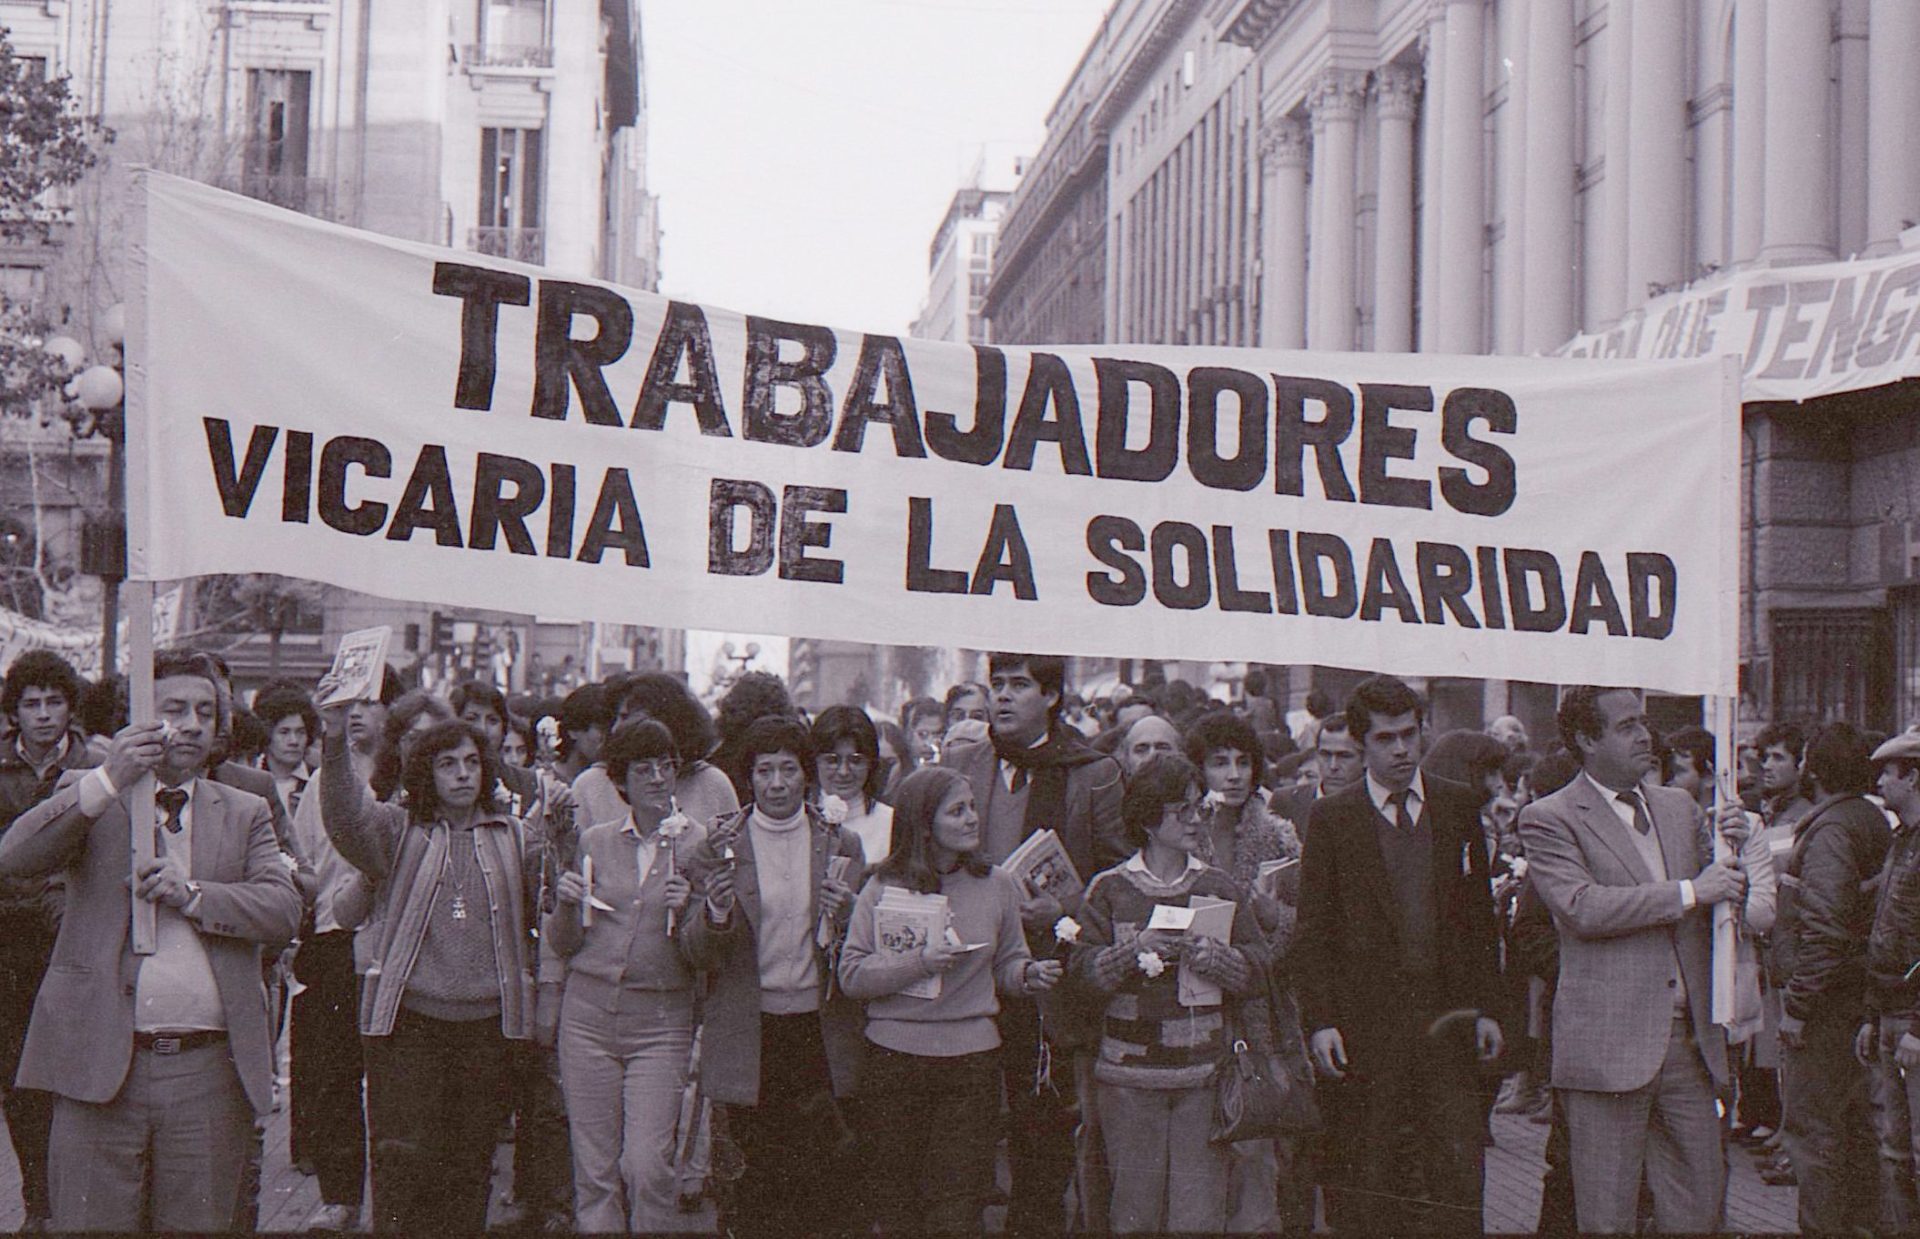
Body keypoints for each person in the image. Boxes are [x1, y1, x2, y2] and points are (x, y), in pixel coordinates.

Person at [0, 650, 302, 1231]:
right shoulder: (89, 794)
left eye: (205, 712)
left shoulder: (246, 810)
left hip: (208, 1070)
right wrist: (111, 778)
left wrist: (194, 895)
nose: (191, 724)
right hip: (100, 1063)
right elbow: (15, 856)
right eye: (174, 709)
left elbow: (284, 908)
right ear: (139, 717)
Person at [320, 709, 563, 1233]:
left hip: (489, 1031)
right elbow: (343, 816)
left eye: (473, 762)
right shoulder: (398, 828)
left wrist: (561, 825)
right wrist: (334, 738)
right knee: (402, 1163)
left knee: (469, 1167)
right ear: (425, 772)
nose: (462, 774)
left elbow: (553, 907)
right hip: (409, 1028)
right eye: (447, 763)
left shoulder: (516, 836)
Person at [1518, 685, 1747, 1233]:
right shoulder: (1549, 817)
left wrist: (1740, 842)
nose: (1646, 735)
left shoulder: (1679, 806)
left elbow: (1730, 893)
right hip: (1607, 1049)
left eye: (1643, 722)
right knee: (1607, 1220)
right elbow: (1582, 907)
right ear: (1585, 739)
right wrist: (1692, 891)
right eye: (1626, 726)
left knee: (1699, 1210)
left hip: (1689, 1046)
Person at [1294, 674, 1504, 1234]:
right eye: (1386, 739)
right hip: (1368, 1024)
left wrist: (1487, 1009)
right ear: (1362, 743)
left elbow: (1479, 921)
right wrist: (1321, 1021)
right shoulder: (1333, 819)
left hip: (1448, 1019)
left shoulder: (1458, 808)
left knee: (1457, 1172)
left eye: (1409, 735)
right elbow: (1312, 930)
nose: (1401, 749)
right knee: (1370, 1170)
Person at [941, 652, 1126, 1233]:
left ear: (1050, 696)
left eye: (1019, 685)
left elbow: (1118, 873)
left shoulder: (1092, 771)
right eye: (997, 684)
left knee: (1039, 1121)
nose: (1002, 696)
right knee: (964, 1122)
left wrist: (1065, 907)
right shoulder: (964, 761)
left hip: (1049, 975)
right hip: (967, 971)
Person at [839, 766, 1060, 1230]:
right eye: (957, 811)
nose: (971, 819)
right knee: (898, 1203)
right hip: (894, 1060)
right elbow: (852, 975)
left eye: (972, 808)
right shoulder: (881, 887)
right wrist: (919, 962)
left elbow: (1008, 963)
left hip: (971, 1063)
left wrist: (1029, 974)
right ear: (924, 824)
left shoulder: (997, 884)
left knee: (957, 1207)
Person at [681, 716, 864, 1235]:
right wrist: (715, 916)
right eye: (765, 771)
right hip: (749, 1029)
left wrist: (849, 913)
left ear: (808, 775)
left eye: (788, 769)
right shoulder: (719, 845)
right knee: (754, 1180)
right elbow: (693, 953)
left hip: (819, 1030)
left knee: (818, 1176)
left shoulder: (840, 842)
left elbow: (859, 947)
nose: (777, 783)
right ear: (749, 777)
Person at [1074, 754, 1265, 1232]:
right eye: (1182, 810)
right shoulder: (1110, 889)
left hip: (1203, 1076)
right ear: (1147, 818)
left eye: (1199, 808)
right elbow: (1080, 977)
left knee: (1197, 1218)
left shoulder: (1217, 885)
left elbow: (1258, 971)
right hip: (1128, 1079)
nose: (1196, 820)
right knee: (1133, 1218)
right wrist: (1132, 950)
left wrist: (1215, 958)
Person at [546, 719, 707, 1232]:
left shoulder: (698, 844)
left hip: (660, 1019)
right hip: (588, 1017)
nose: (658, 778)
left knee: (647, 1166)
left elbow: (706, 954)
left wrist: (695, 910)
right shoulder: (595, 842)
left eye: (666, 767)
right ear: (622, 782)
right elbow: (565, 943)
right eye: (644, 769)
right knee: (594, 1171)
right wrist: (566, 906)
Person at [286, 669, 398, 1231]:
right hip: (334, 938)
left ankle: (396, 1197)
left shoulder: (405, 779)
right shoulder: (323, 779)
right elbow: (305, 856)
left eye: (370, 702)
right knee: (334, 1074)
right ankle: (340, 1196)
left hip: (395, 944)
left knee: (394, 1079)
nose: (357, 713)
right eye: (346, 703)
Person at [1770, 721, 1889, 1231]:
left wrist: (1798, 1007)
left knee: (1815, 1135)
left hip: (1825, 1010)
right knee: (1855, 1131)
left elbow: (1825, 927)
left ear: (1812, 770)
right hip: (1851, 1001)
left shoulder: (1833, 830)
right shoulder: (1865, 820)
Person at [0, 651, 98, 1230]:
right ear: (15, 712)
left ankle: (75, 1201)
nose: (43, 715)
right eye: (31, 704)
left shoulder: (97, 765)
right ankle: (39, 1200)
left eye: (54, 702)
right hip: (10, 946)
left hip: (76, 939)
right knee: (18, 1077)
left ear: (70, 706)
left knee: (77, 1077)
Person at [1864, 730, 1920, 1227]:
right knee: (1896, 1152)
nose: (1880, 781)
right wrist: (1872, 1014)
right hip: (1891, 1014)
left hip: (1911, 1022)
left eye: (1888, 772)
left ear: (1914, 776)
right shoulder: (1902, 840)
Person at [576, 674, 740, 831]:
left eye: (627, 717)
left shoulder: (711, 783)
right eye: (617, 717)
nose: (615, 728)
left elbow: (734, 852)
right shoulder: (591, 785)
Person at [812, 705, 893, 866]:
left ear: (871, 764)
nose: (843, 772)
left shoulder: (891, 823)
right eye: (832, 760)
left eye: (855, 760)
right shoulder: (798, 818)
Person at [253, 686, 317, 817]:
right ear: (267, 734)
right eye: (284, 732)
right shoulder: (250, 778)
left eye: (301, 732)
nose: (294, 741)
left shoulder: (317, 781)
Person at [902, 696, 945, 767]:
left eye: (938, 735)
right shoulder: (896, 772)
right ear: (908, 734)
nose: (930, 742)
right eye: (922, 734)